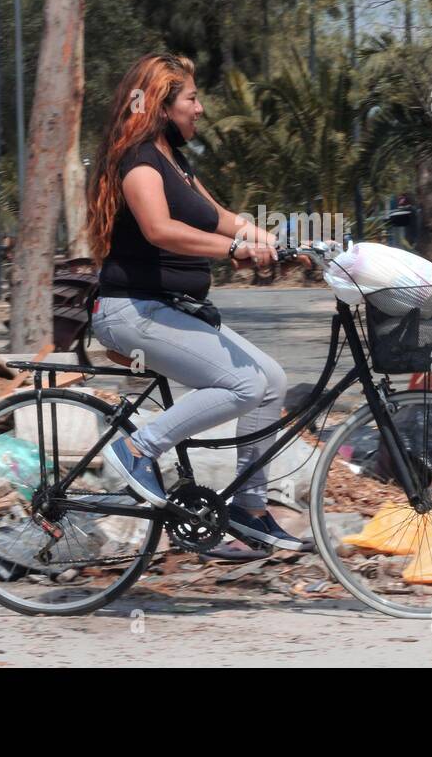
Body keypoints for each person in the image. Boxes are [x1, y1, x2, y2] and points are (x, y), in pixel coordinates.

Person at [85, 53, 312, 559]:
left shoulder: (174, 162)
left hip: (166, 308)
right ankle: (138, 447)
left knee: (270, 379)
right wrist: (235, 251)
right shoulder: (140, 161)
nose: (201, 109)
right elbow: (160, 230)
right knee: (243, 382)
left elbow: (221, 218)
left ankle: (249, 513)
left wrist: (278, 241)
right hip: (130, 311)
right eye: (191, 98)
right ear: (163, 106)